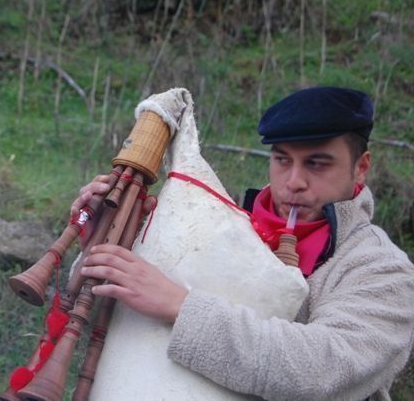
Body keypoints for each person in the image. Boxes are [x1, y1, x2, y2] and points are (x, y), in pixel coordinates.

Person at [72, 86, 414, 400]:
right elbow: (111, 309)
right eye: (282, 160)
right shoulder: (225, 224)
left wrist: (180, 307)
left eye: (316, 164)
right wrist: (104, 236)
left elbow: (322, 370)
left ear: (361, 167)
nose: (293, 182)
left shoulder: (383, 271)